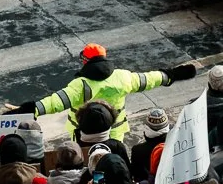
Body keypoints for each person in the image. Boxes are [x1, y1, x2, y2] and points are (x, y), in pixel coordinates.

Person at [12, 43, 195, 138]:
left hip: (84, 134)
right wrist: (171, 75)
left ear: (86, 61)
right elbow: (149, 79)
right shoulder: (123, 77)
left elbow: (55, 102)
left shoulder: (81, 85)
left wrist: (30, 109)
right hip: (115, 131)